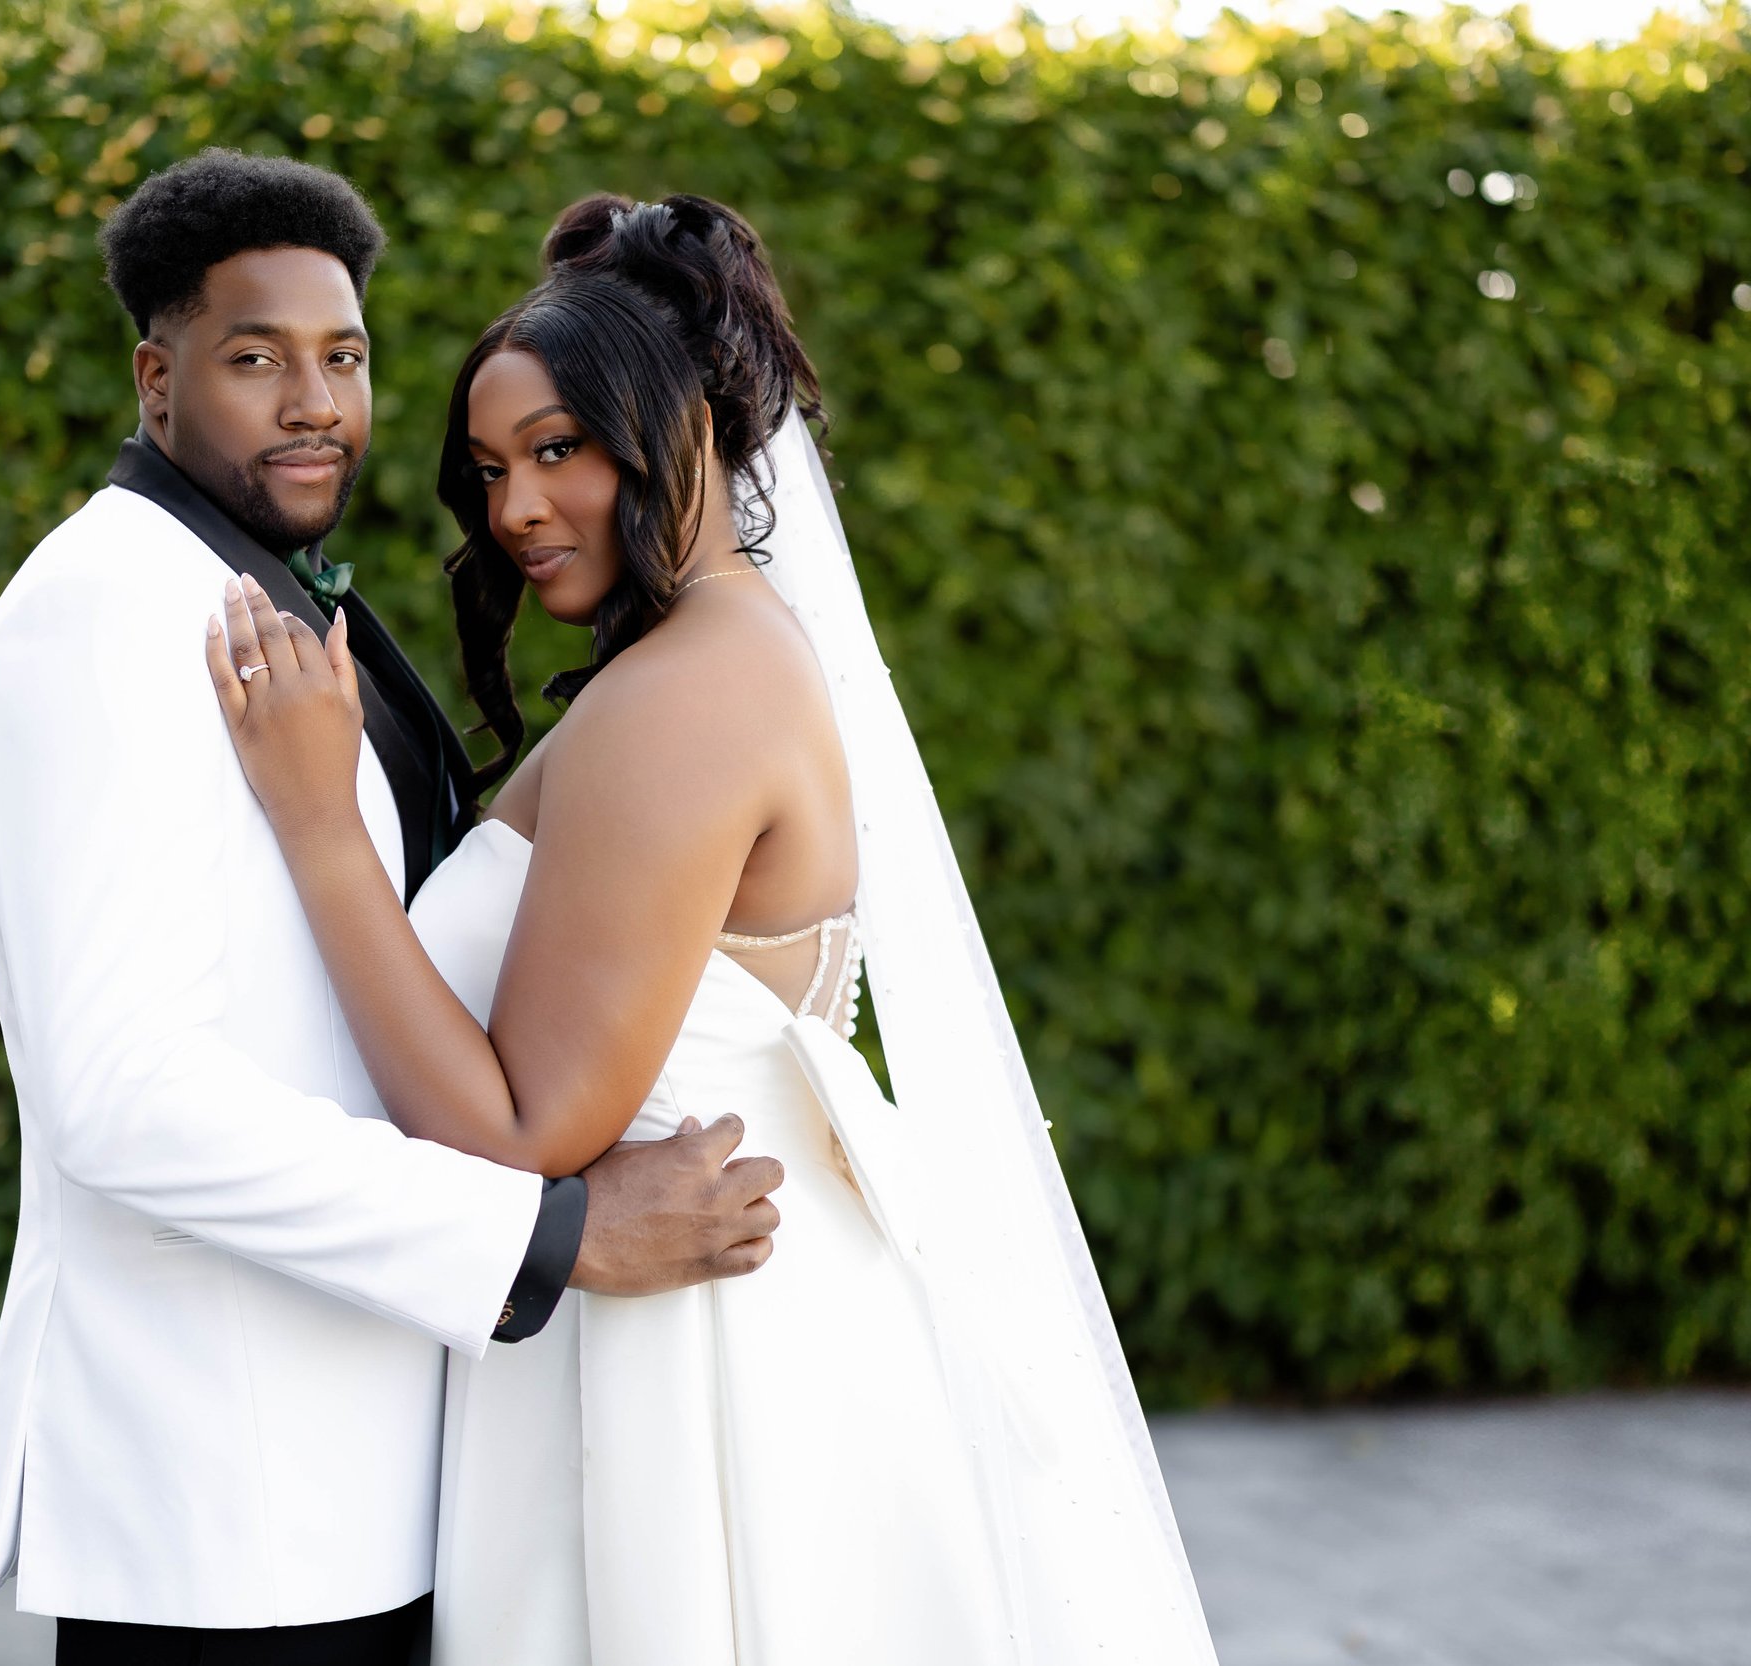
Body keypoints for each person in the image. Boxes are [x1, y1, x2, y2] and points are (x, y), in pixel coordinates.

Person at [204, 192, 1220, 1664]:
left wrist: (315, 826)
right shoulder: (709, 656)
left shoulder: (686, 692)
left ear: (673, 427)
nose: (512, 511)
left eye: (558, 450)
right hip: (677, 1334)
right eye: (490, 468)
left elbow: (526, 1128)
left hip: (691, 1372)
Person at [0, 151, 784, 1666]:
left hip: (366, 1476)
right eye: (254, 358)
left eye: (341, 356)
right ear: (155, 379)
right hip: (230, 1502)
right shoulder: (106, 612)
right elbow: (122, 1098)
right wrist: (547, 1234)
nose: (313, 402)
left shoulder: (273, 597)